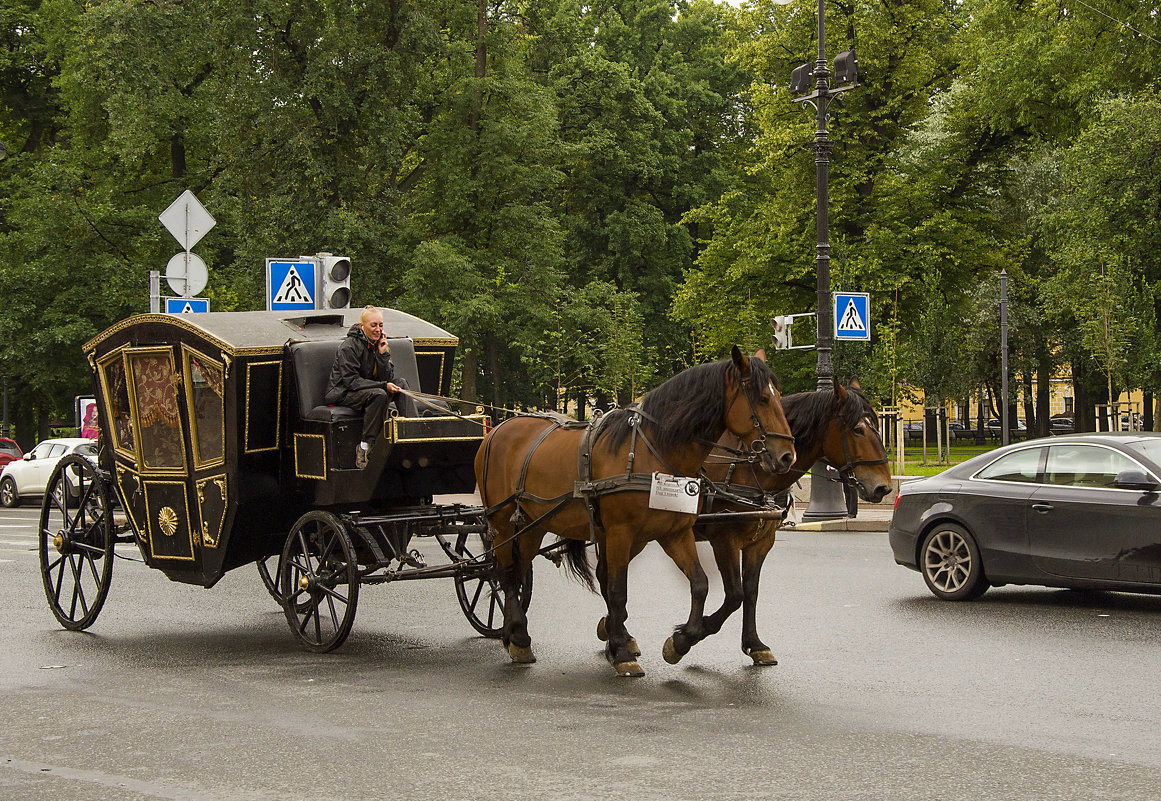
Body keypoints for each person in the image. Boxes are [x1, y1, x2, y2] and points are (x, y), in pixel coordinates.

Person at [325, 305, 418, 468]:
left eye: (380, 325)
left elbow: (387, 378)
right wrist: (383, 385)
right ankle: (365, 448)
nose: (378, 329)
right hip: (344, 393)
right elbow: (351, 382)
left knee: (401, 383)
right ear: (362, 326)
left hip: (368, 390)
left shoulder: (377, 344)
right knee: (379, 394)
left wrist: (383, 355)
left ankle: (415, 435)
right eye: (373, 325)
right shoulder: (349, 346)